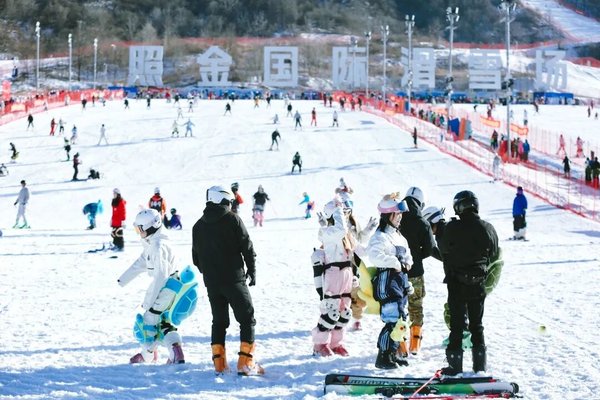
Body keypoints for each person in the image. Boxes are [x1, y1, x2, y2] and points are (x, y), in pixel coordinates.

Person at [192, 185, 264, 375]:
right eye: (229, 201)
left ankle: (220, 364)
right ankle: (245, 363)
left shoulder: (197, 226)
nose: (231, 205)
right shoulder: (233, 219)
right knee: (247, 319)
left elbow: (196, 258)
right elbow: (247, 246)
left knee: (219, 321)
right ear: (223, 200)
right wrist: (251, 270)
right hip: (234, 279)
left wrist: (210, 273)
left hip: (212, 283)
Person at [119, 209, 195, 364]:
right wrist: (122, 280)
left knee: (149, 321)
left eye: (140, 229)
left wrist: (150, 302)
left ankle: (148, 355)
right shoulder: (153, 243)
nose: (139, 233)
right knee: (164, 322)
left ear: (151, 226)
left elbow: (161, 276)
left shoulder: (157, 246)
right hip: (171, 286)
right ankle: (176, 352)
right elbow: (141, 263)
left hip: (166, 288)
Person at [438, 190, 499, 376]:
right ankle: (479, 367)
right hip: (478, 283)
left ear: (458, 207)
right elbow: (494, 252)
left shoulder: (451, 227)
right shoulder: (487, 227)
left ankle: (455, 367)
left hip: (456, 283)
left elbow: (443, 249)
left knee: (457, 325)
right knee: (477, 325)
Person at [367, 193, 413, 369]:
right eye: (397, 214)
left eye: (401, 214)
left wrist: (407, 272)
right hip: (387, 283)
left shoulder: (399, 237)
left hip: (399, 282)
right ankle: (383, 356)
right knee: (393, 319)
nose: (400, 217)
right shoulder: (380, 236)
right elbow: (375, 256)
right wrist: (395, 262)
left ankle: (393, 353)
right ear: (388, 215)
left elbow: (408, 257)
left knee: (401, 319)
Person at [311, 199, 353, 357]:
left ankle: (336, 343)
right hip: (333, 274)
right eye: (341, 213)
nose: (345, 216)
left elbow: (359, 250)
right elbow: (340, 229)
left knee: (344, 312)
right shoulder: (329, 232)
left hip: (346, 274)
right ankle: (320, 345)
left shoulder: (344, 235)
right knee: (331, 311)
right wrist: (337, 210)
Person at [399, 187, 436, 356]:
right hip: (415, 272)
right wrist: (416, 257)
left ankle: (400, 346)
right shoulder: (423, 222)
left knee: (397, 308)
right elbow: (430, 249)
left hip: (396, 272)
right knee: (416, 307)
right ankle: (415, 344)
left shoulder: (395, 216)